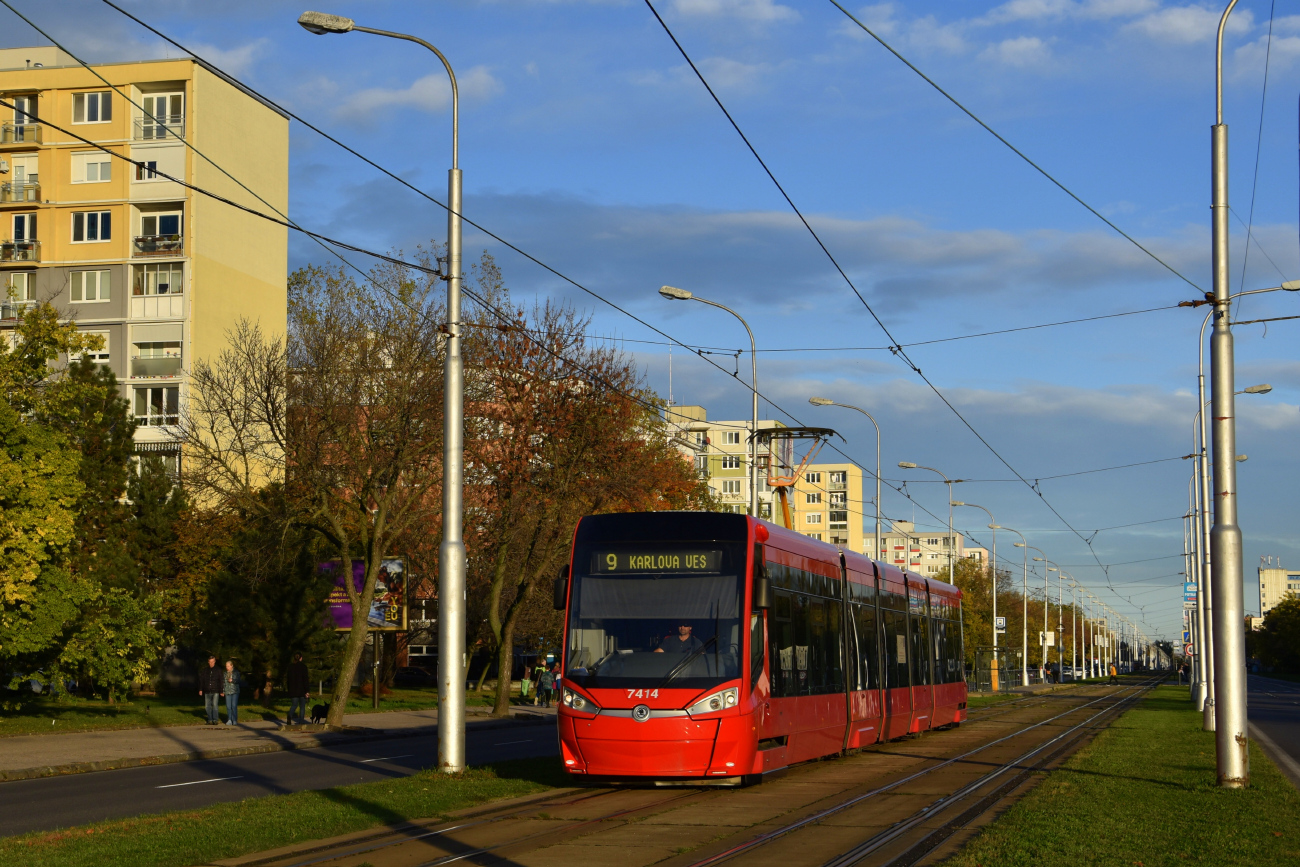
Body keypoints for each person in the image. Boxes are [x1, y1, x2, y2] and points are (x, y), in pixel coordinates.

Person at [286, 653, 310, 725]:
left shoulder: (290, 667)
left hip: (293, 690)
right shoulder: (303, 667)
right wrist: (307, 691)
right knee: (302, 706)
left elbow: (288, 680)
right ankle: (301, 721)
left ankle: (290, 715)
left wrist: (289, 689)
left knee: (294, 705)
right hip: (302, 690)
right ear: (301, 658)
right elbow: (305, 679)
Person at [199, 656, 223, 725]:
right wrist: (200, 689)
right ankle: (210, 719)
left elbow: (221, 681)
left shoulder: (218, 670)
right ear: (208, 662)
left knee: (215, 705)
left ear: (215, 662)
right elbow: (202, 680)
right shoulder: (205, 670)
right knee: (207, 706)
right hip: (207, 690)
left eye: (212, 662)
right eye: (210, 662)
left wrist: (221, 690)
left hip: (215, 690)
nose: (211, 663)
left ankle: (215, 719)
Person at [223, 659, 242, 725]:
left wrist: (233, 680)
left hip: (235, 691)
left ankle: (234, 719)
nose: (227, 667)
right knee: (228, 706)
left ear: (232, 666)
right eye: (226, 666)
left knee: (234, 706)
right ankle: (229, 719)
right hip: (227, 691)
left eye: (228, 666)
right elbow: (224, 683)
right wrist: (223, 691)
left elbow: (239, 681)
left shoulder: (236, 672)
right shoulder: (225, 673)